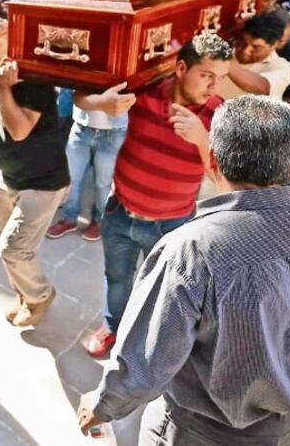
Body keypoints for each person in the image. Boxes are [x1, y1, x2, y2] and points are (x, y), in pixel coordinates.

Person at [77, 95, 290, 446]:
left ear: (212, 161)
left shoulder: (193, 249)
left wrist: (103, 405)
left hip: (197, 431)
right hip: (284, 427)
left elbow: (146, 363)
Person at [84, 33, 232, 358]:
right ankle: (113, 327)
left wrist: (201, 139)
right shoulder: (144, 89)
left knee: (162, 289)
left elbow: (225, 179)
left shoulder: (219, 114)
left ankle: (146, 340)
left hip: (173, 225)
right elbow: (82, 95)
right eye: (206, 75)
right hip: (120, 213)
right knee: (117, 278)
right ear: (181, 68)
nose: (213, 87)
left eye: (220, 78)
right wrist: (102, 104)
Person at [0, 19, 70, 327]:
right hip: (6, 178)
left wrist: (3, 89)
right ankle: (24, 297)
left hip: (42, 182)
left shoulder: (35, 81)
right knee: (9, 250)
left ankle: (39, 296)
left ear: (13, 43)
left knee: (14, 250)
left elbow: (19, 130)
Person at [46, 82, 133, 241]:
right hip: (81, 128)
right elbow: (75, 90)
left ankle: (99, 221)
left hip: (114, 133)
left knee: (103, 184)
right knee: (72, 177)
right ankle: (69, 218)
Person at [216, 11, 290, 100]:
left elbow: (262, 87)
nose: (246, 51)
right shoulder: (228, 48)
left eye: (256, 47)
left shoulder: (281, 67)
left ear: (274, 45)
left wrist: (226, 61)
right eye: (243, 42)